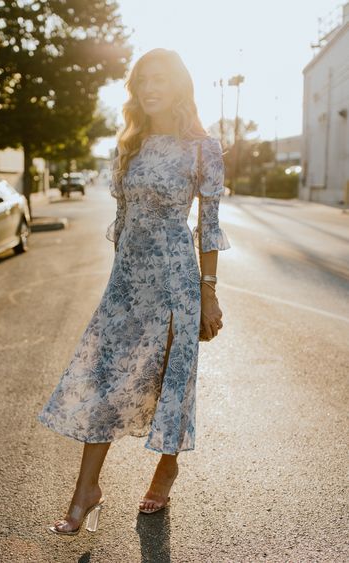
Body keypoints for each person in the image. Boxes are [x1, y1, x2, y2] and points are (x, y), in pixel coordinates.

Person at [37, 47, 231, 535]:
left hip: (175, 281)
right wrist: (116, 285)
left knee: (172, 375)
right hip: (126, 283)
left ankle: (166, 468)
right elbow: (121, 222)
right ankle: (87, 490)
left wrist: (208, 292)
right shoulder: (129, 144)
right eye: (142, 79)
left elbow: (208, 226)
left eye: (160, 78)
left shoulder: (201, 148)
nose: (149, 88)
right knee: (105, 377)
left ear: (180, 85)